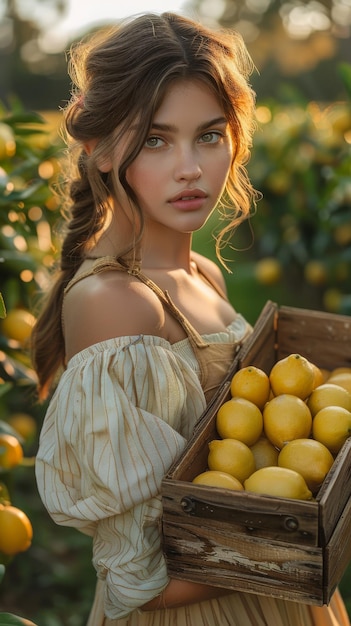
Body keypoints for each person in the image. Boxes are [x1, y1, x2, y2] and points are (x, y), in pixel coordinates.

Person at [32, 11, 350, 626]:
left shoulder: (203, 275)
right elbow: (142, 579)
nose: (191, 167)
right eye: (156, 139)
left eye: (209, 134)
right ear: (99, 150)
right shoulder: (117, 303)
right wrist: (310, 537)